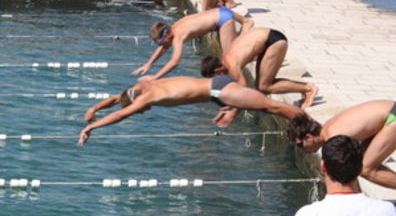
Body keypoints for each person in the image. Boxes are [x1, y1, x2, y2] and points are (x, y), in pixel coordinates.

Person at [78, 75, 303, 145]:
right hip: (216, 89)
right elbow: (118, 99)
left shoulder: (147, 96)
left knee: (273, 107)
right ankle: (307, 127)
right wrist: (94, 108)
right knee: (271, 109)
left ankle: (312, 127)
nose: (143, 112)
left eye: (139, 111)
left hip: (218, 90)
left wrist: (91, 127)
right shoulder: (144, 86)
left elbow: (120, 113)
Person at [200, 27, 318, 109]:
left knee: (265, 86)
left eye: (215, 77)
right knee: (261, 86)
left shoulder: (231, 65)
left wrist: (232, 110)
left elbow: (243, 91)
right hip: (267, 39)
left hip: (274, 42)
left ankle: (308, 89)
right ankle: (303, 89)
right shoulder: (225, 58)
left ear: (217, 70)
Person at [287, 100, 396, 189]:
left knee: (366, 170)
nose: (300, 150)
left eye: (300, 145)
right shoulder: (327, 128)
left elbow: (348, 173)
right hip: (390, 111)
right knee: (363, 161)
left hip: (392, 117)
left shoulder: (333, 138)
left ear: (309, 138)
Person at [132, 7, 253, 82]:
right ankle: (245, 22)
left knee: (229, 60)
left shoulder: (177, 37)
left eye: (160, 42)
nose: (161, 45)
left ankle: (237, 83)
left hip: (224, 20)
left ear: (166, 35)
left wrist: (155, 77)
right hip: (222, 11)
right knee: (230, 56)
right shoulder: (174, 27)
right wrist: (148, 64)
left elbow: (175, 62)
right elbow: (163, 47)